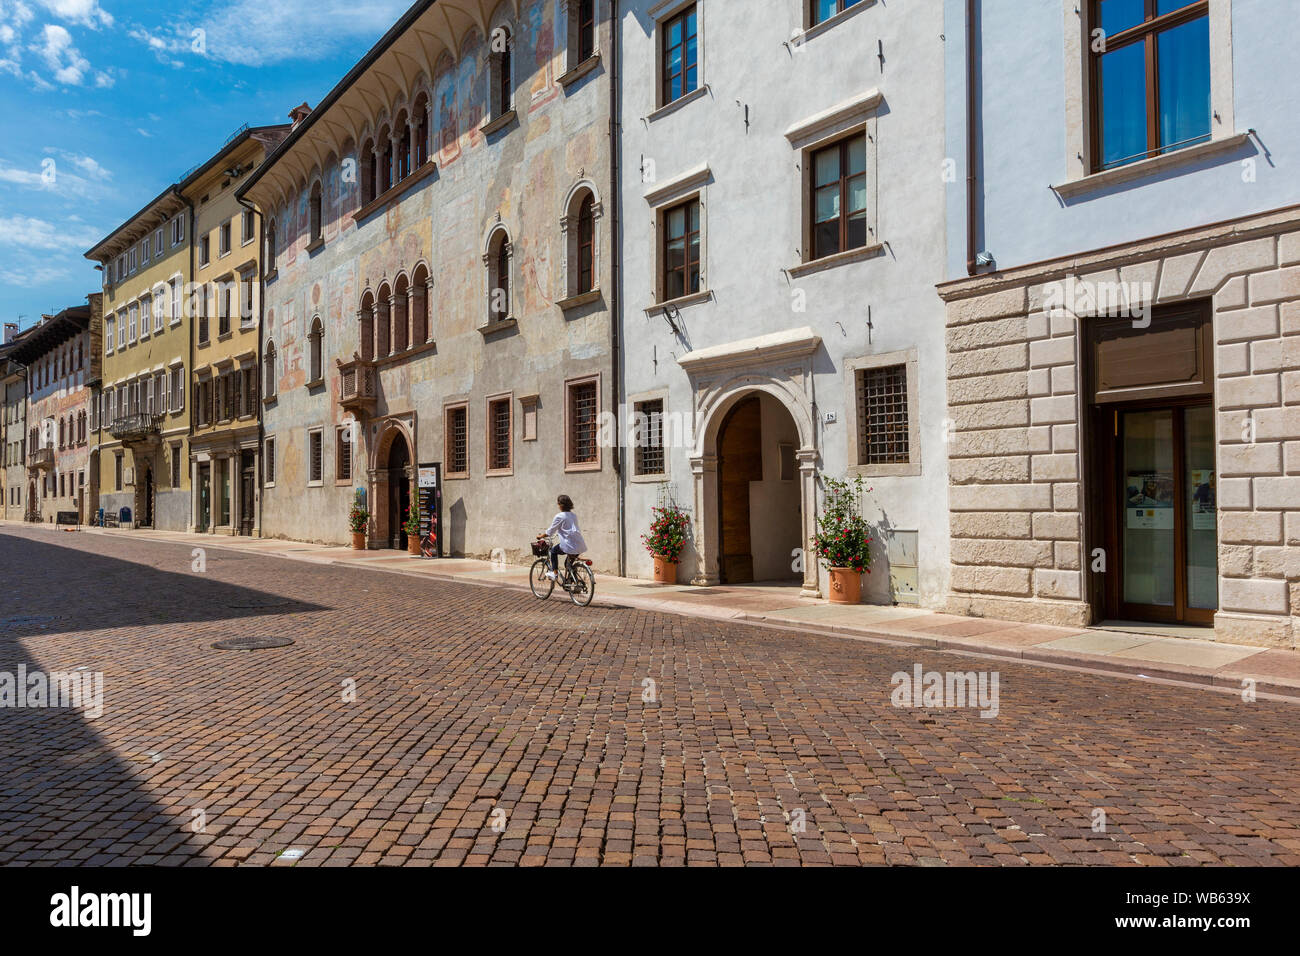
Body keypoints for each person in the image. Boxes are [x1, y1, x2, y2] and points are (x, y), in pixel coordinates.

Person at [539, 495, 587, 580]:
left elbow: (551, 531)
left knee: (553, 551)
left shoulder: (560, 516)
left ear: (561, 505)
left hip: (569, 544)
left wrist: (541, 536)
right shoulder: (573, 515)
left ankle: (555, 574)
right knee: (568, 565)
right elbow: (569, 528)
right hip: (579, 544)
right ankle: (575, 582)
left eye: (558, 503)